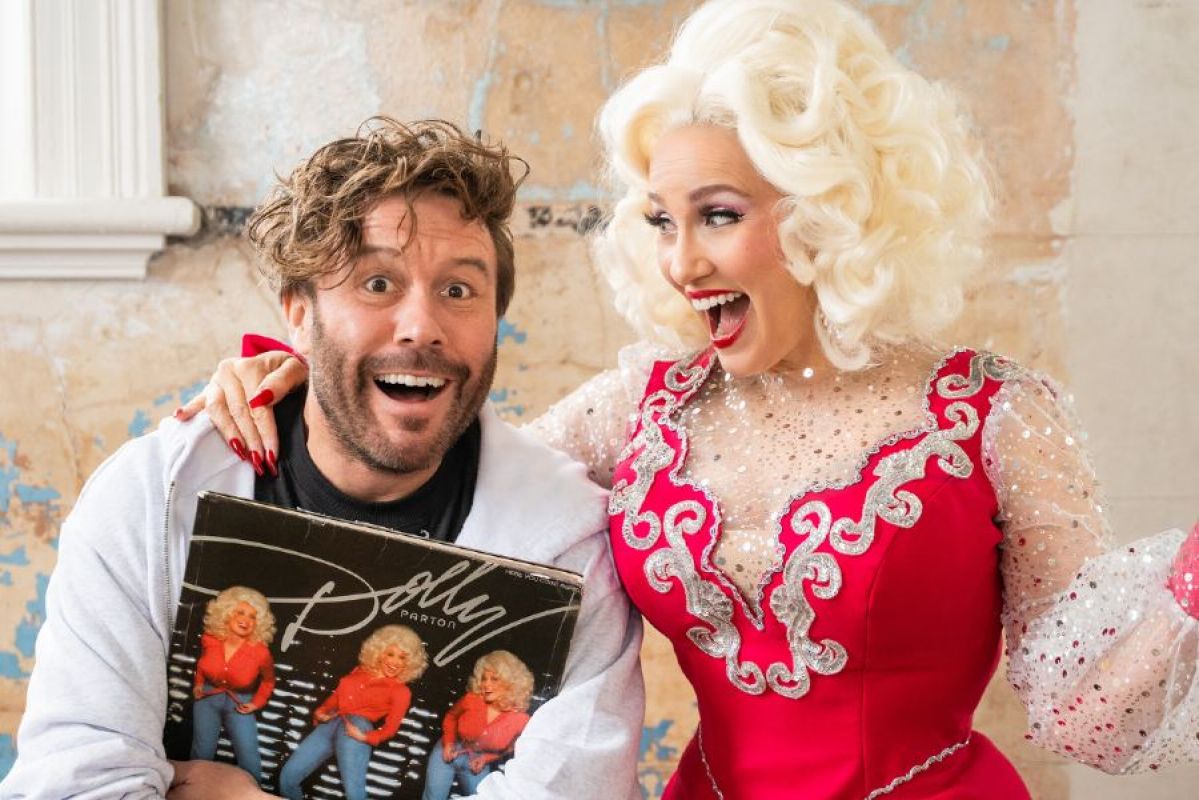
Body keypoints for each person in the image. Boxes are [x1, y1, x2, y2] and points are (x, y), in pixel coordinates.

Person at [191, 1, 1199, 798]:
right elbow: (437, 499)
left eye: (716, 216)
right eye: (661, 221)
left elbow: (1083, 716)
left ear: (827, 213)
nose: (679, 263)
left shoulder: (994, 414)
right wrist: (308, 382)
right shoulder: (641, 404)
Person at [0, 118, 644, 800]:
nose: (422, 326)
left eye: (458, 290)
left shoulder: (570, 547)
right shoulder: (150, 497)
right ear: (298, 315)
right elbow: (78, 781)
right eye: (377, 283)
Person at [278, 625, 425, 800]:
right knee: (287, 778)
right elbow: (337, 696)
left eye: (402, 657)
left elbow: (390, 729)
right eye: (390, 654)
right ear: (379, 653)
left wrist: (365, 737)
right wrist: (321, 711)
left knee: (354, 792)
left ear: (409, 663)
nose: (395, 662)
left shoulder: (401, 692)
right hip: (331, 722)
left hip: (356, 727)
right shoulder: (359, 670)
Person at [190, 586, 277, 783]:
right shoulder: (210, 640)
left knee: (249, 758)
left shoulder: (261, 653)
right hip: (207, 700)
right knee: (201, 753)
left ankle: (251, 793)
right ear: (227, 613)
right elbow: (202, 663)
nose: (246, 620)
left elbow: (269, 681)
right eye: (240, 612)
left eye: (253, 616)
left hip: (240, 704)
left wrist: (256, 703)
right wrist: (198, 683)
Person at [422, 650, 534, 800]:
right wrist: (448, 743)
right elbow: (451, 718)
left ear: (511, 683)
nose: (486, 684)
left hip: (476, 763)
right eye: (484, 678)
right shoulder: (471, 700)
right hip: (445, 754)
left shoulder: (521, 720)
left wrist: (486, 758)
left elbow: (513, 746)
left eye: (494, 679)